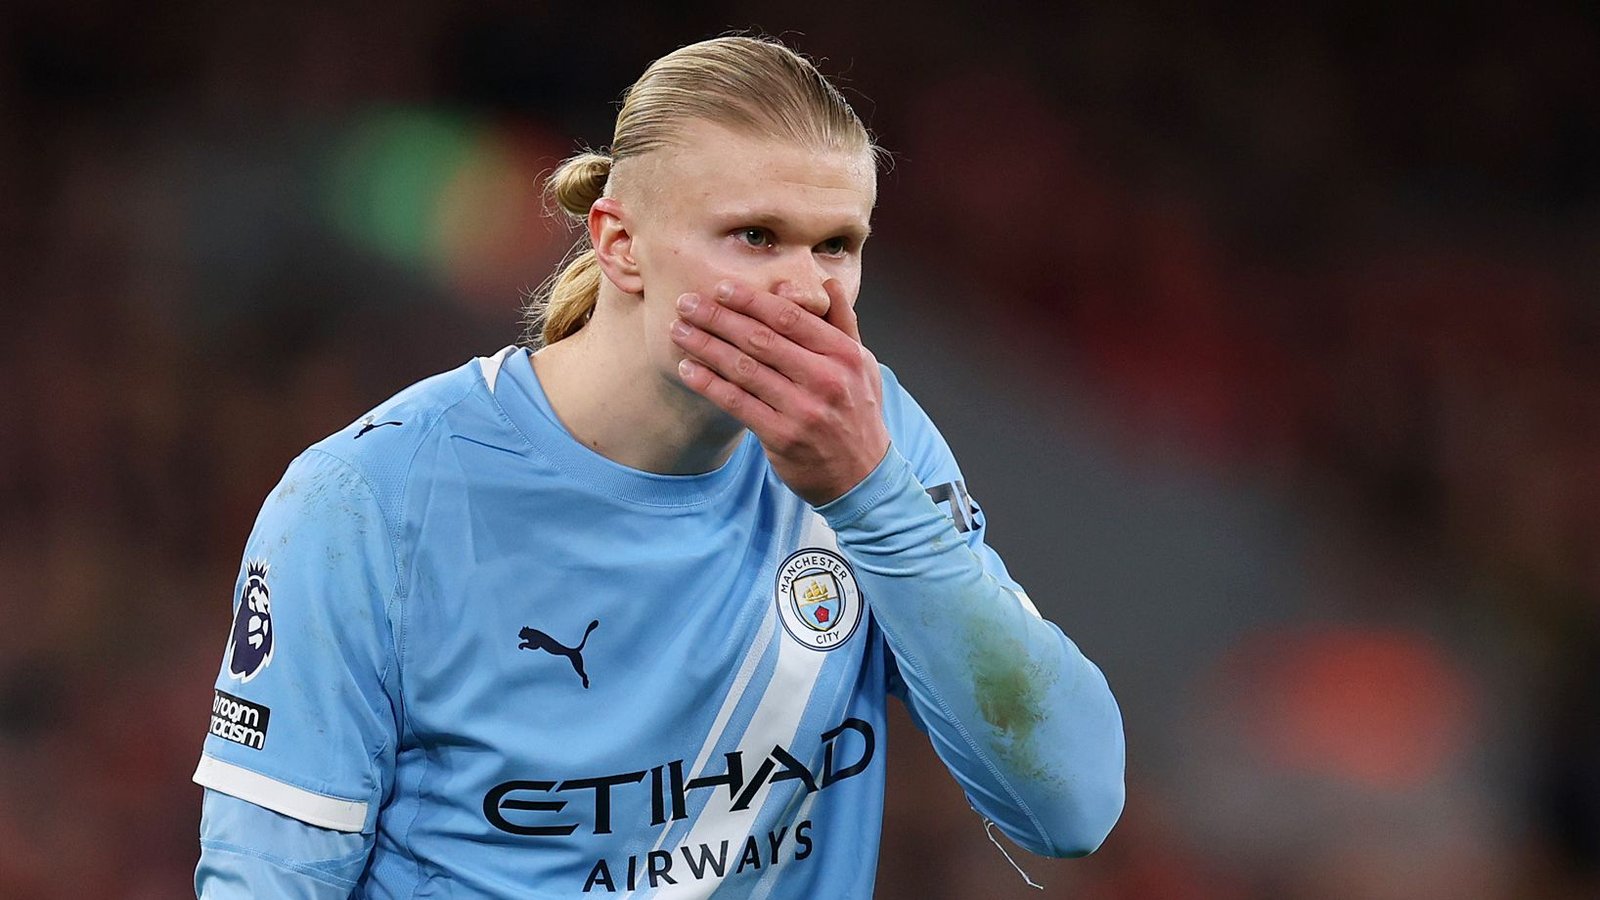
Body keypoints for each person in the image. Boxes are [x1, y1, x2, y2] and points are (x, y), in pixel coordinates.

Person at [192, 35, 1124, 898]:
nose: (807, 289)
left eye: (837, 244)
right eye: (756, 235)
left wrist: (872, 498)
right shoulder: (371, 502)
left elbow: (1072, 806)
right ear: (619, 242)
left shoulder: (868, 447)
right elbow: (266, 879)